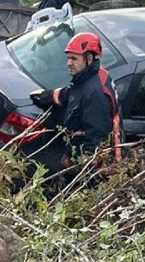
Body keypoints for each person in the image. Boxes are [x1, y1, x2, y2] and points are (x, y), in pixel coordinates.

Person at [27, 32, 123, 189]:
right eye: (68, 58)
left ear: (89, 58)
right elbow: (73, 93)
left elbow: (96, 142)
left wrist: (73, 163)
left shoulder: (96, 95)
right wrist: (49, 96)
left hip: (96, 172)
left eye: (74, 58)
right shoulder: (93, 76)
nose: (68, 63)